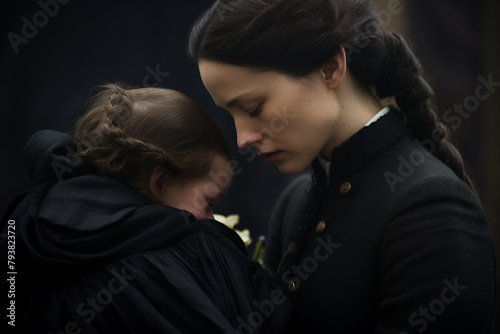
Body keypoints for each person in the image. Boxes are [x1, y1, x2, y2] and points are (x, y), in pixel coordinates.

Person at [188, 0, 497, 332]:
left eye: (253, 107)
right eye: (229, 114)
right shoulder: (294, 204)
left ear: (331, 68)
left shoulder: (430, 209)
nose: (242, 139)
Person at [1, 84, 290, 333]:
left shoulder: (24, 231)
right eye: (209, 201)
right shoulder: (179, 262)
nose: (211, 218)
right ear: (160, 181)